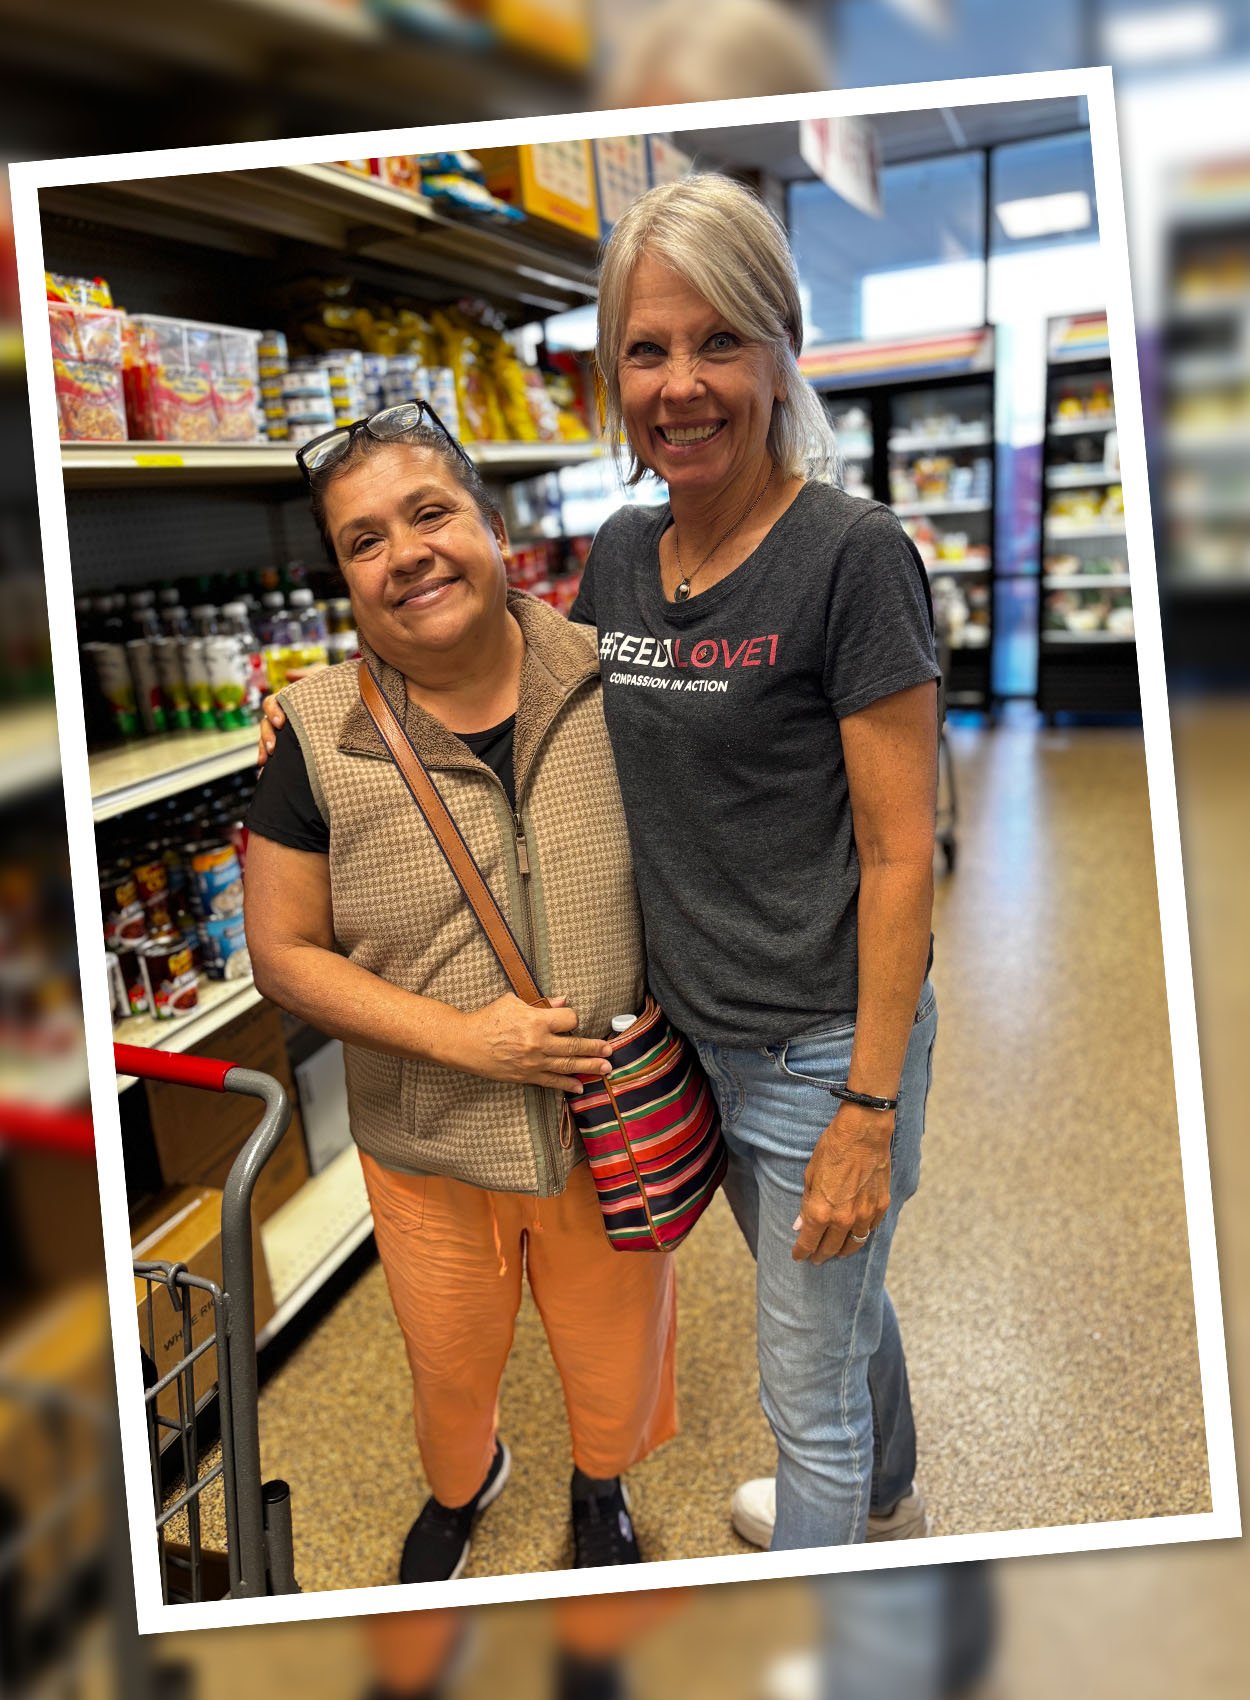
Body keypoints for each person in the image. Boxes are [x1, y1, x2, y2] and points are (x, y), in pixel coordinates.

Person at [242, 401, 677, 1584]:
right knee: (446, 1361)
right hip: (428, 1140)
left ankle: (601, 1480)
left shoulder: (616, 678)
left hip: (607, 1127)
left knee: (614, 1347)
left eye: (428, 512)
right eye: (363, 539)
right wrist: (461, 1039)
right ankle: (461, 1481)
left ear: (490, 526)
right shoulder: (315, 734)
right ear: (343, 578)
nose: (405, 554)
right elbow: (283, 952)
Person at [571, 172, 940, 1552]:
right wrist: (335, 706)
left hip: (819, 1050)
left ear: (782, 350)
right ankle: (885, 1490)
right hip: (693, 1040)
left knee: (803, 1392)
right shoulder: (620, 554)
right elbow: (530, 707)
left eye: (717, 339)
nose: (680, 384)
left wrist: (865, 1112)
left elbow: (899, 857)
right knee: (838, 1300)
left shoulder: (851, 556)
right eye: (646, 349)